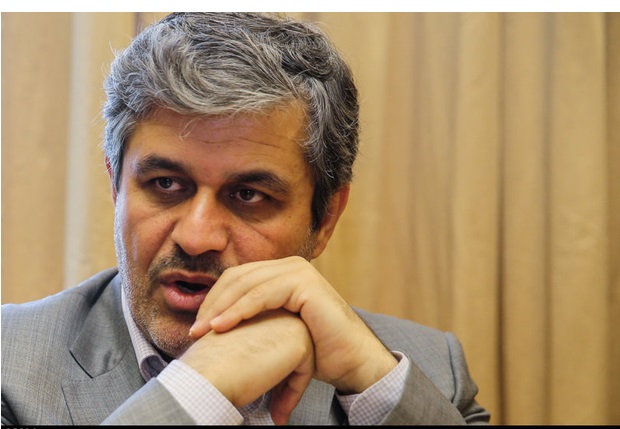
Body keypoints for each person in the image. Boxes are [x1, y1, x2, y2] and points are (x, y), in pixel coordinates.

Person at [1, 12, 490, 425]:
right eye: (166, 184)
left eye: (248, 195)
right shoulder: (9, 367)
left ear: (325, 220)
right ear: (116, 189)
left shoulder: (422, 376)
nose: (196, 237)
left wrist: (371, 385)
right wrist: (201, 386)